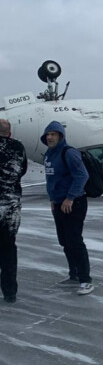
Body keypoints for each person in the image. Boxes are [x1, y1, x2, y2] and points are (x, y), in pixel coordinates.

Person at [41, 121, 93, 294]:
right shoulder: (49, 154)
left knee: (74, 241)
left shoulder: (69, 153)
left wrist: (70, 198)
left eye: (53, 134)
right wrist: (53, 199)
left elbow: (82, 175)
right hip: (58, 203)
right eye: (48, 134)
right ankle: (74, 274)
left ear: (61, 136)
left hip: (73, 203)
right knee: (64, 241)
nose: (49, 137)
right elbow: (52, 180)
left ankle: (86, 280)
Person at [0, 118, 28, 303]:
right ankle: (10, 291)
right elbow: (22, 170)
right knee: (9, 248)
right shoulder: (18, 147)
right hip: (10, 206)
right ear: (9, 133)